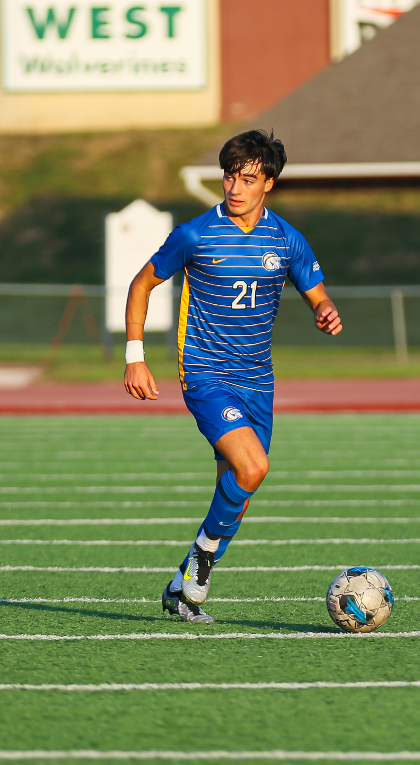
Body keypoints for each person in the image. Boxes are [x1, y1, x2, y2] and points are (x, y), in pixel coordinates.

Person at [122, 130, 342, 623]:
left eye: (248, 178)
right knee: (254, 468)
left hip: (258, 380)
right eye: (229, 175)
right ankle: (200, 567)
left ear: (268, 183)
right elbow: (142, 283)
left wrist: (325, 310)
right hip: (204, 373)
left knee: (238, 491)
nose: (235, 186)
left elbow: (316, 291)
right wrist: (135, 355)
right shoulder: (195, 234)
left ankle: (181, 586)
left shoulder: (286, 239)